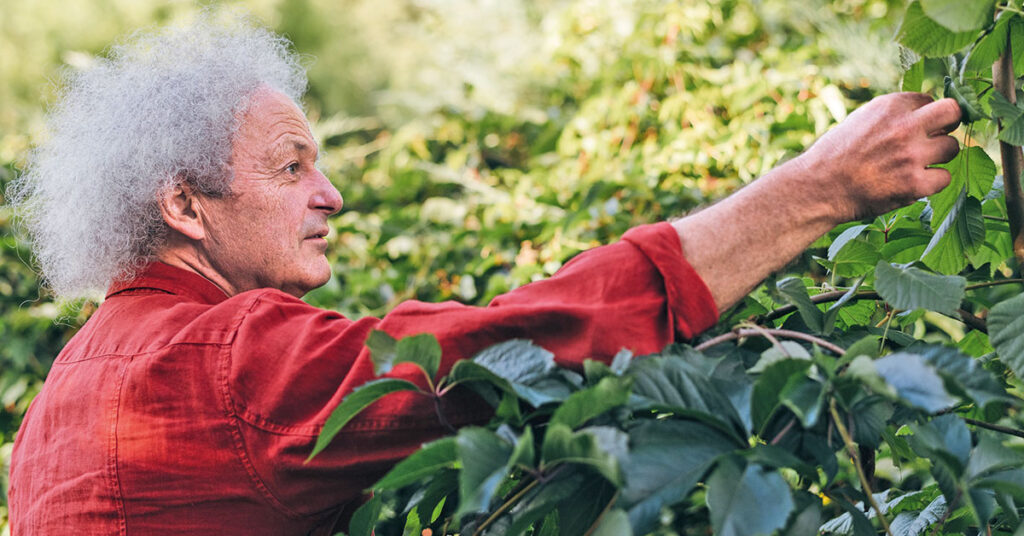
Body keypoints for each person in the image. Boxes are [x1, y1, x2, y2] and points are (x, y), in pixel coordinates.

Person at [6, 14, 960, 536]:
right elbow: (506, 347)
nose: (332, 195)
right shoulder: (219, 361)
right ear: (184, 206)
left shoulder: (67, 389)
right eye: (292, 167)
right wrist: (816, 189)